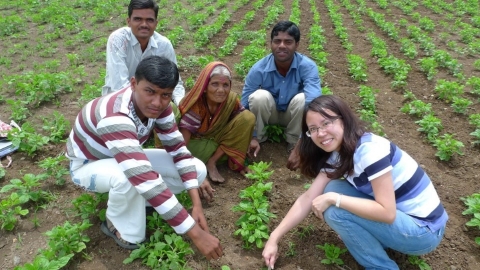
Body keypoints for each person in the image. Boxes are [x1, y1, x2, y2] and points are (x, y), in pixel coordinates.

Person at [262, 95, 448, 269]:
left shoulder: (369, 151)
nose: (320, 133)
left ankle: (381, 266)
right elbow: (308, 197)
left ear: (343, 119)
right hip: (404, 219)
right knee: (331, 187)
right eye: (313, 129)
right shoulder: (338, 154)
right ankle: (377, 238)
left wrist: (336, 199)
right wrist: (274, 238)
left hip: (423, 232)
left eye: (326, 123)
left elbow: (388, 213)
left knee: (335, 209)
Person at [66, 56, 222, 260]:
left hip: (122, 158)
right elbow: (144, 178)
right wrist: (195, 233)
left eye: (165, 95)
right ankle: (114, 223)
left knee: (197, 169)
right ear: (133, 84)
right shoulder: (114, 115)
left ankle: (146, 202)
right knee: (132, 210)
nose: (157, 102)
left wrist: (196, 204)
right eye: (150, 91)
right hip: (89, 165)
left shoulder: (160, 107)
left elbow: (178, 150)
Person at [241, 20, 321, 162]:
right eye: (277, 41)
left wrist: (303, 142)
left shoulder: (307, 66)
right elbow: (244, 105)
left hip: (294, 116)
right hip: (270, 114)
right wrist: (251, 136)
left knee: (305, 99)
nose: (282, 46)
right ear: (271, 44)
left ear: (296, 45)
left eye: (288, 42)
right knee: (258, 97)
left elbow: (314, 103)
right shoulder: (259, 68)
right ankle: (258, 138)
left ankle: (294, 140)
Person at [179, 62, 255, 183]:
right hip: (194, 148)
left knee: (247, 117)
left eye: (226, 85)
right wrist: (191, 171)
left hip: (216, 143)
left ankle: (212, 162)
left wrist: (248, 141)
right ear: (205, 87)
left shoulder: (230, 101)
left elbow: (241, 124)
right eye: (215, 84)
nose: (221, 90)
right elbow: (182, 144)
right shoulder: (197, 104)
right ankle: (200, 163)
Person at [102, 0, 184, 107]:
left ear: (156, 23)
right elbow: (119, 85)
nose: (144, 24)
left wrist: (180, 104)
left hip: (153, 102)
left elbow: (175, 82)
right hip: (119, 102)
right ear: (129, 21)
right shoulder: (119, 40)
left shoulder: (164, 45)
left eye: (149, 20)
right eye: (138, 19)